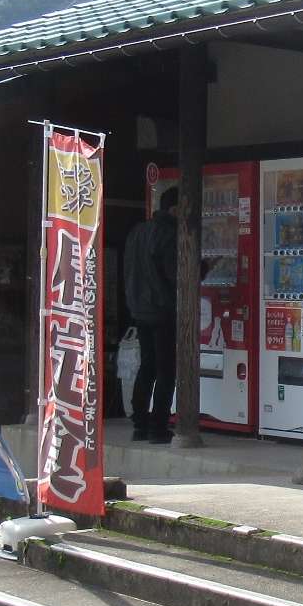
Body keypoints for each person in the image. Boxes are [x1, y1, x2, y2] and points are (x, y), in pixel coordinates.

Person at [124, 185, 179, 444]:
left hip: (139, 309)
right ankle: (159, 427)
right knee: (166, 370)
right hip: (162, 310)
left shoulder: (138, 231)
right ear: (176, 209)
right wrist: (201, 269)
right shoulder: (169, 233)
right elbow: (175, 275)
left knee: (147, 367)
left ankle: (140, 424)